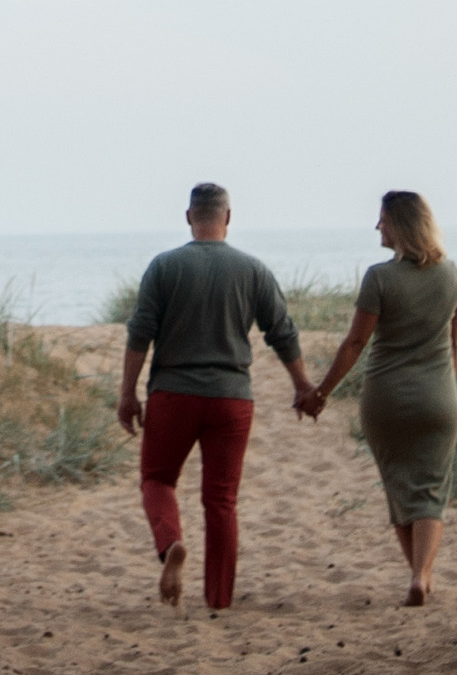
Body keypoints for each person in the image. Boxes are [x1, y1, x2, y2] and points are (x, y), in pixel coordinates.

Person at [117, 184, 313, 611]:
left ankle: (170, 544)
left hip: (173, 393)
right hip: (231, 399)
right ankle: (219, 600)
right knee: (221, 500)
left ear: (190, 217)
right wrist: (301, 385)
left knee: (157, 479)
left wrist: (128, 393)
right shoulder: (253, 269)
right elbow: (282, 332)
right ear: (228, 217)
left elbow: (140, 332)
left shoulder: (164, 267)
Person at [303, 190, 457, 606]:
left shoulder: (379, 278)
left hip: (386, 398)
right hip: (439, 397)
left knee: (399, 485)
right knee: (430, 489)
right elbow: (454, 347)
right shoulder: (453, 277)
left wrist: (321, 393)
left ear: (402, 226)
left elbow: (355, 343)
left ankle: (416, 573)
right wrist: (444, 392)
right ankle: (423, 574)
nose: (378, 227)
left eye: (384, 220)